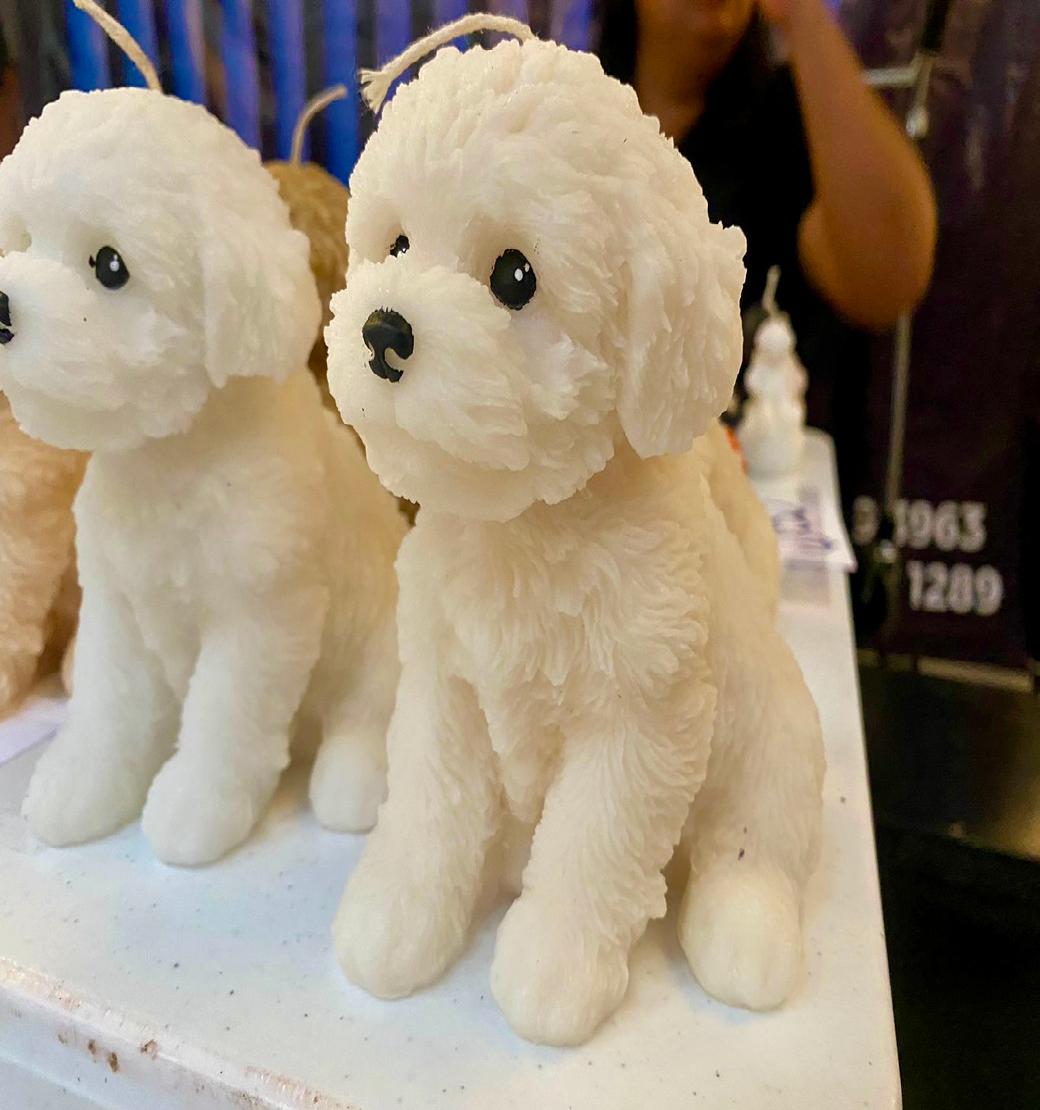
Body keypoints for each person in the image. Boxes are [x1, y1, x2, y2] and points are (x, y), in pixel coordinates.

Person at [597, 0, 937, 446]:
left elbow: (889, 276)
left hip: (755, 471)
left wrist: (800, 14)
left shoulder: (791, 125)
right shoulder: (581, 126)